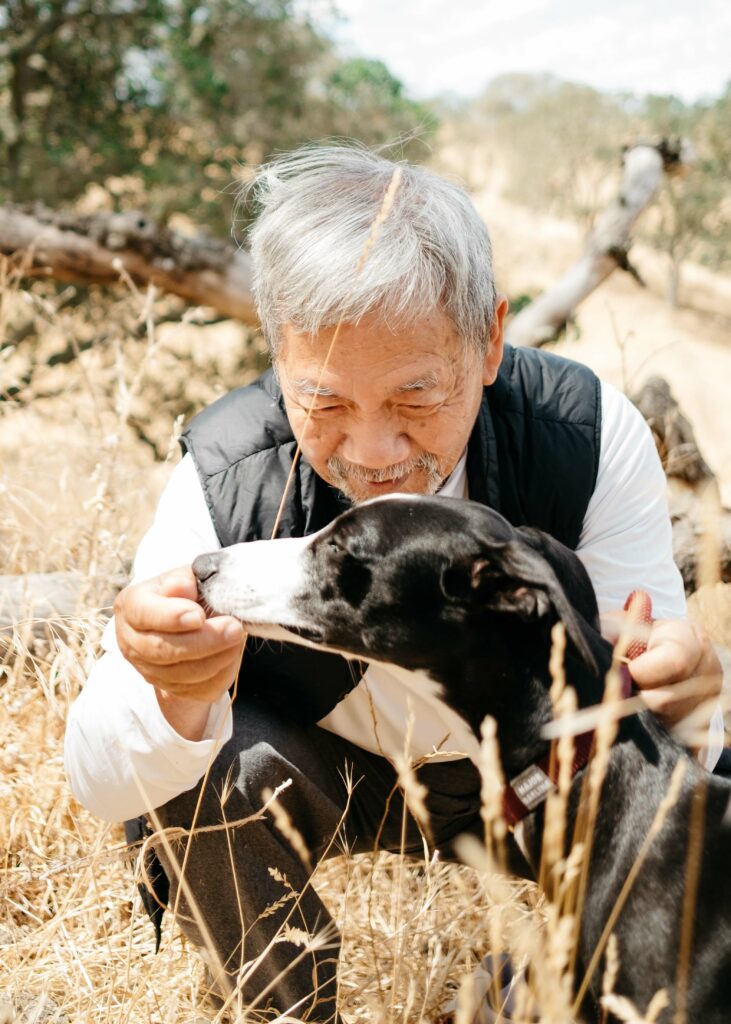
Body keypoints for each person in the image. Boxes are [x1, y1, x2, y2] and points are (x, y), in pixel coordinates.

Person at [64, 145, 724, 1023]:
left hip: (537, 783)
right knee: (199, 782)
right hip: (324, 776)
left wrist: (683, 689)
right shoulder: (226, 469)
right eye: (325, 403)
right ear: (277, 358)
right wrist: (168, 695)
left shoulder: (587, 435)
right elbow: (105, 780)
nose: (375, 454)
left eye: (417, 396)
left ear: (489, 339)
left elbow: (666, 735)